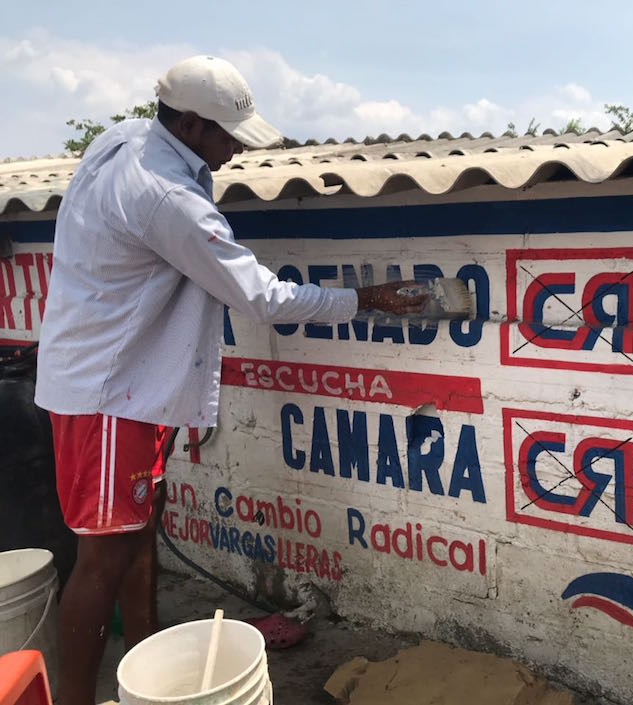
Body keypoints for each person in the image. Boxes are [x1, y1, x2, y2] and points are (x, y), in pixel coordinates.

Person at [34, 55, 426, 705]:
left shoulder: (125, 139)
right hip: (104, 394)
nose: (236, 154)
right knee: (102, 555)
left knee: (139, 525)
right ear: (189, 124)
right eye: (228, 139)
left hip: (133, 383)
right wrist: (368, 299)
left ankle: (145, 660)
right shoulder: (168, 196)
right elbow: (262, 298)